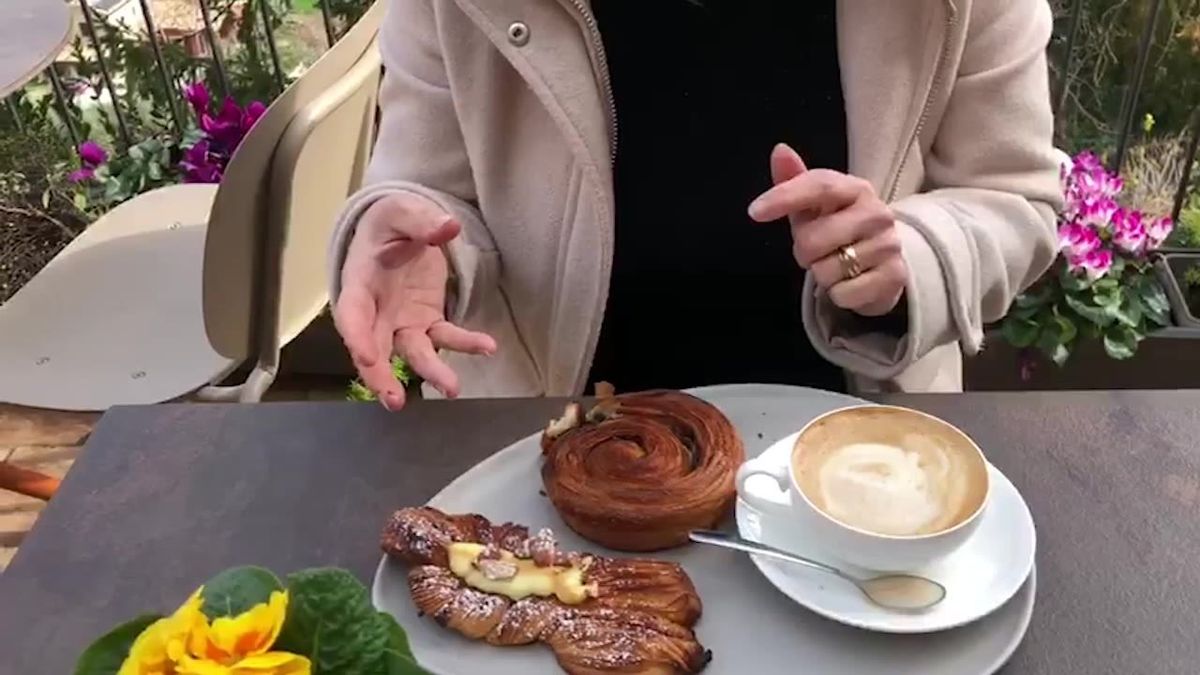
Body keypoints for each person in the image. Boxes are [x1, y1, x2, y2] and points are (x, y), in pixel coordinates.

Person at [328, 0, 1063, 411]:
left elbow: (1017, 199)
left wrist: (917, 255)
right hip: (549, 450)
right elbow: (423, 190)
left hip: (858, 465)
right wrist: (411, 240)